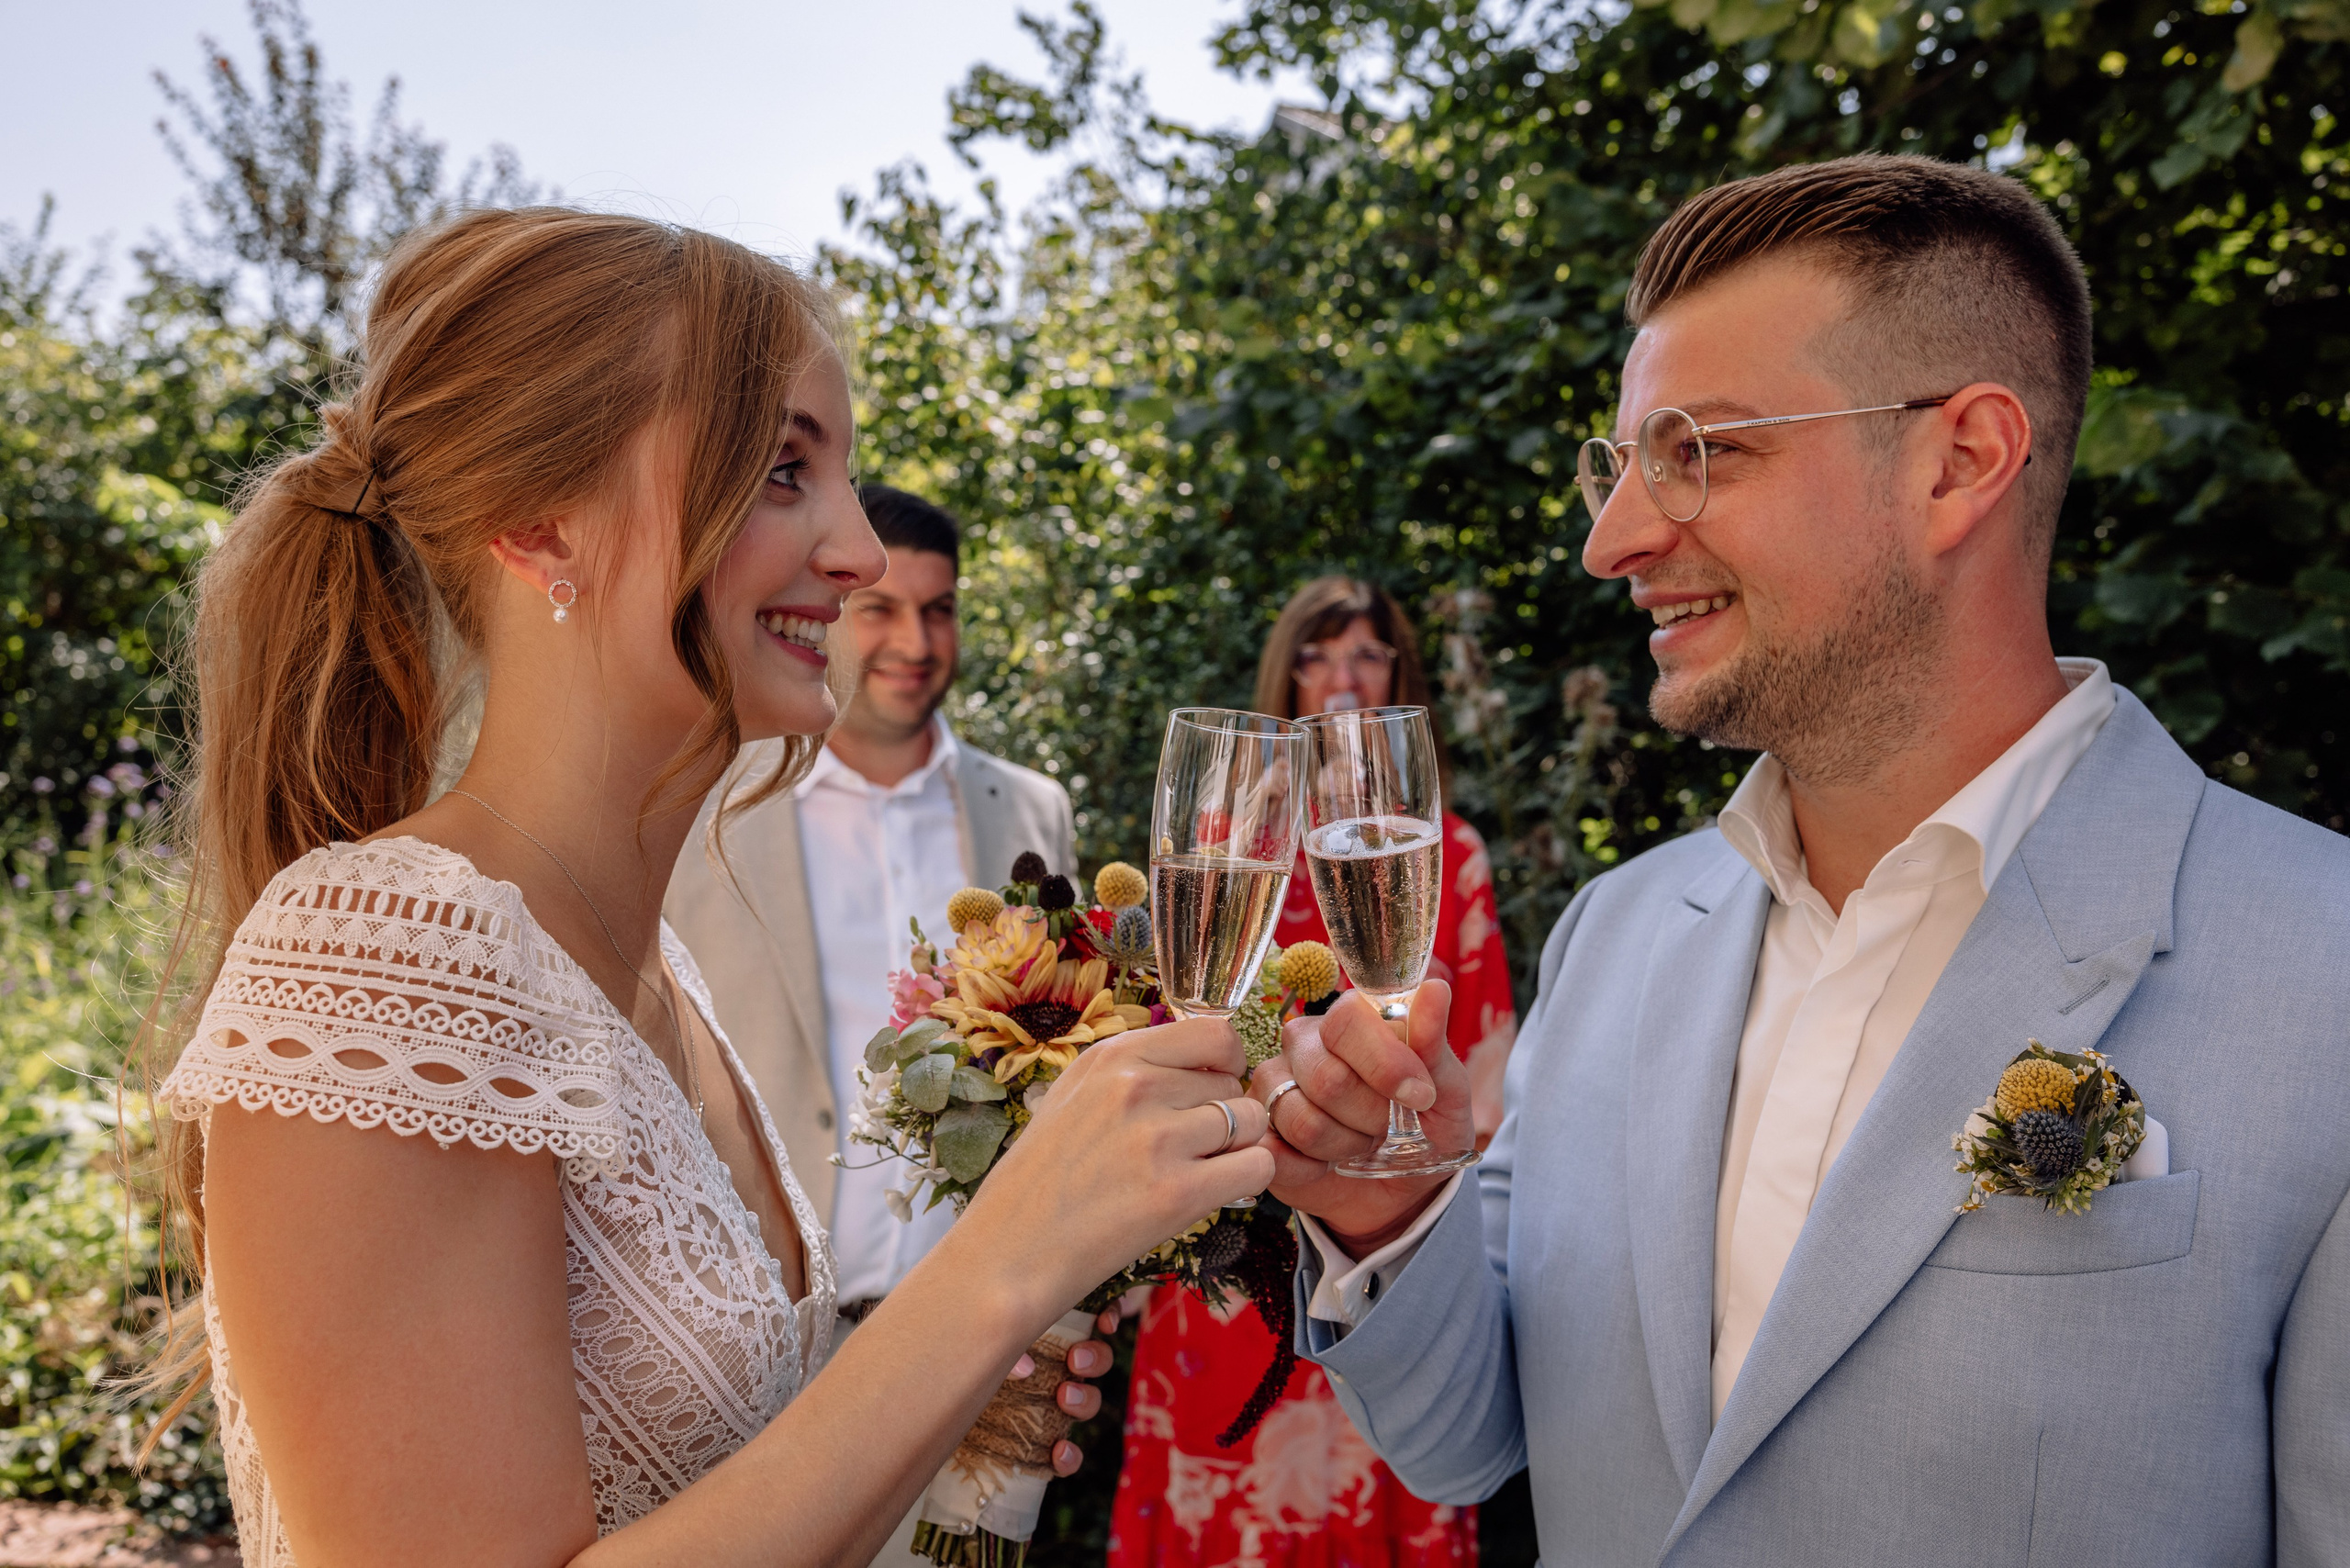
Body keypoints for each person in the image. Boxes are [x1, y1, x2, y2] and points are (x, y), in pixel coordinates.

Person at [142, 207, 1271, 1568]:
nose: (857, 552)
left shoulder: (646, 973)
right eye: (781, 471)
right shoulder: (386, 959)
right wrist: (997, 1268)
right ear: (538, 521)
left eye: (843, 475)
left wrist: (937, 1442)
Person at [1259, 154, 2350, 1565]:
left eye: (1701, 452)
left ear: (1959, 461)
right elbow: (1475, 1438)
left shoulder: (2323, 968)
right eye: (1621, 463)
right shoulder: (1613, 935)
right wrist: (1389, 1215)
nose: (1614, 539)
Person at [665, 484, 1072, 1565]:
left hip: (985, 1350)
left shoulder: (1032, 812)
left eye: (939, 610)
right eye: (884, 608)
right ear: (828, 609)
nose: (914, 640)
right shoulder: (706, 802)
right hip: (765, 1349)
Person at [1109, 577, 1515, 1567]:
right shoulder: (1222, 857)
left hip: (1383, 1257)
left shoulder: (1445, 854)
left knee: (1383, 1469)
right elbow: (1161, 1039)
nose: (1343, 675)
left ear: (1398, 674)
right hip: (1223, 1264)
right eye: (1320, 653)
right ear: (1284, 674)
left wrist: (1405, 1193)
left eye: (1369, 653)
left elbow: (1494, 1091)